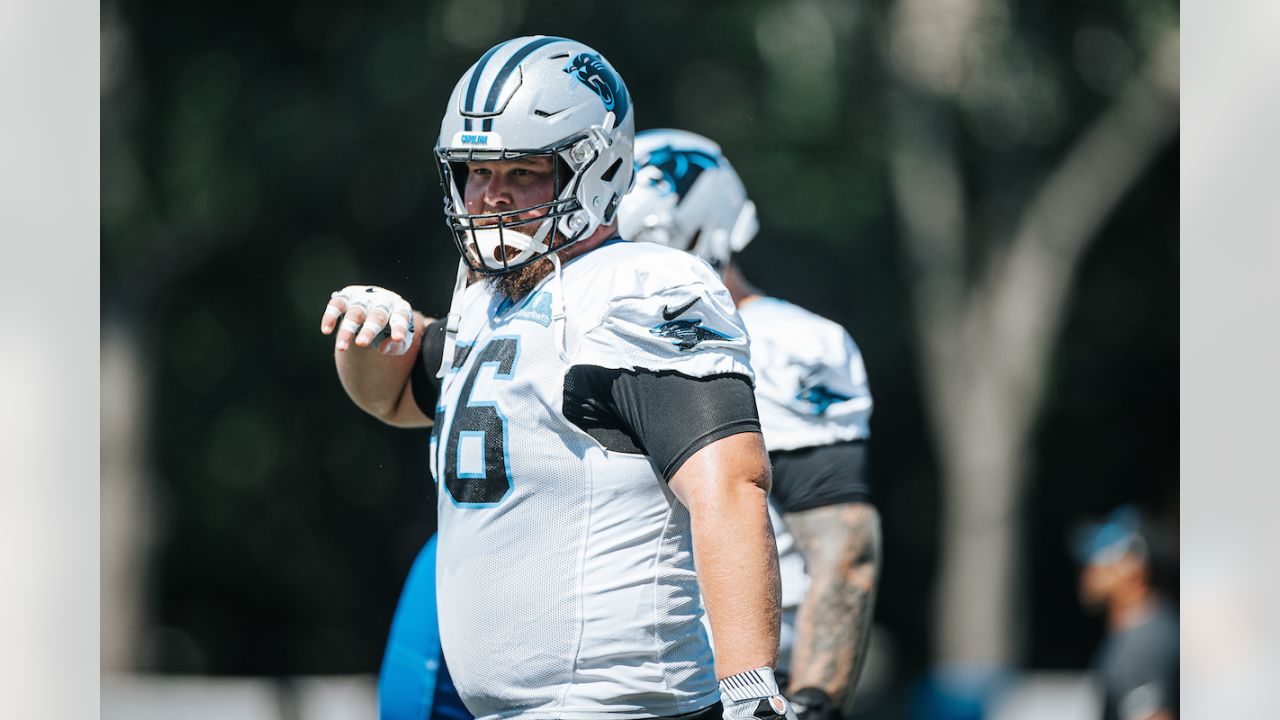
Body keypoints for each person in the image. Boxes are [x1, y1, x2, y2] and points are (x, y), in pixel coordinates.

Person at [320, 37, 796, 720]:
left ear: (594, 168)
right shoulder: (494, 297)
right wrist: (368, 338)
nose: (489, 197)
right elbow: (396, 398)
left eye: (521, 172)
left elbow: (729, 485)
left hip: (617, 707)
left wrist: (749, 687)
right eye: (476, 173)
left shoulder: (635, 289)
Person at [617, 129, 882, 720]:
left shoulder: (791, 346)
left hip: (747, 688)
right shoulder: (584, 340)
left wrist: (815, 704)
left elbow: (843, 552)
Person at [1073, 506, 1179, 720]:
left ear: (1134, 568)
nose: (1089, 570)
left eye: (1100, 556)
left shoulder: (1142, 646)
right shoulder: (1152, 630)